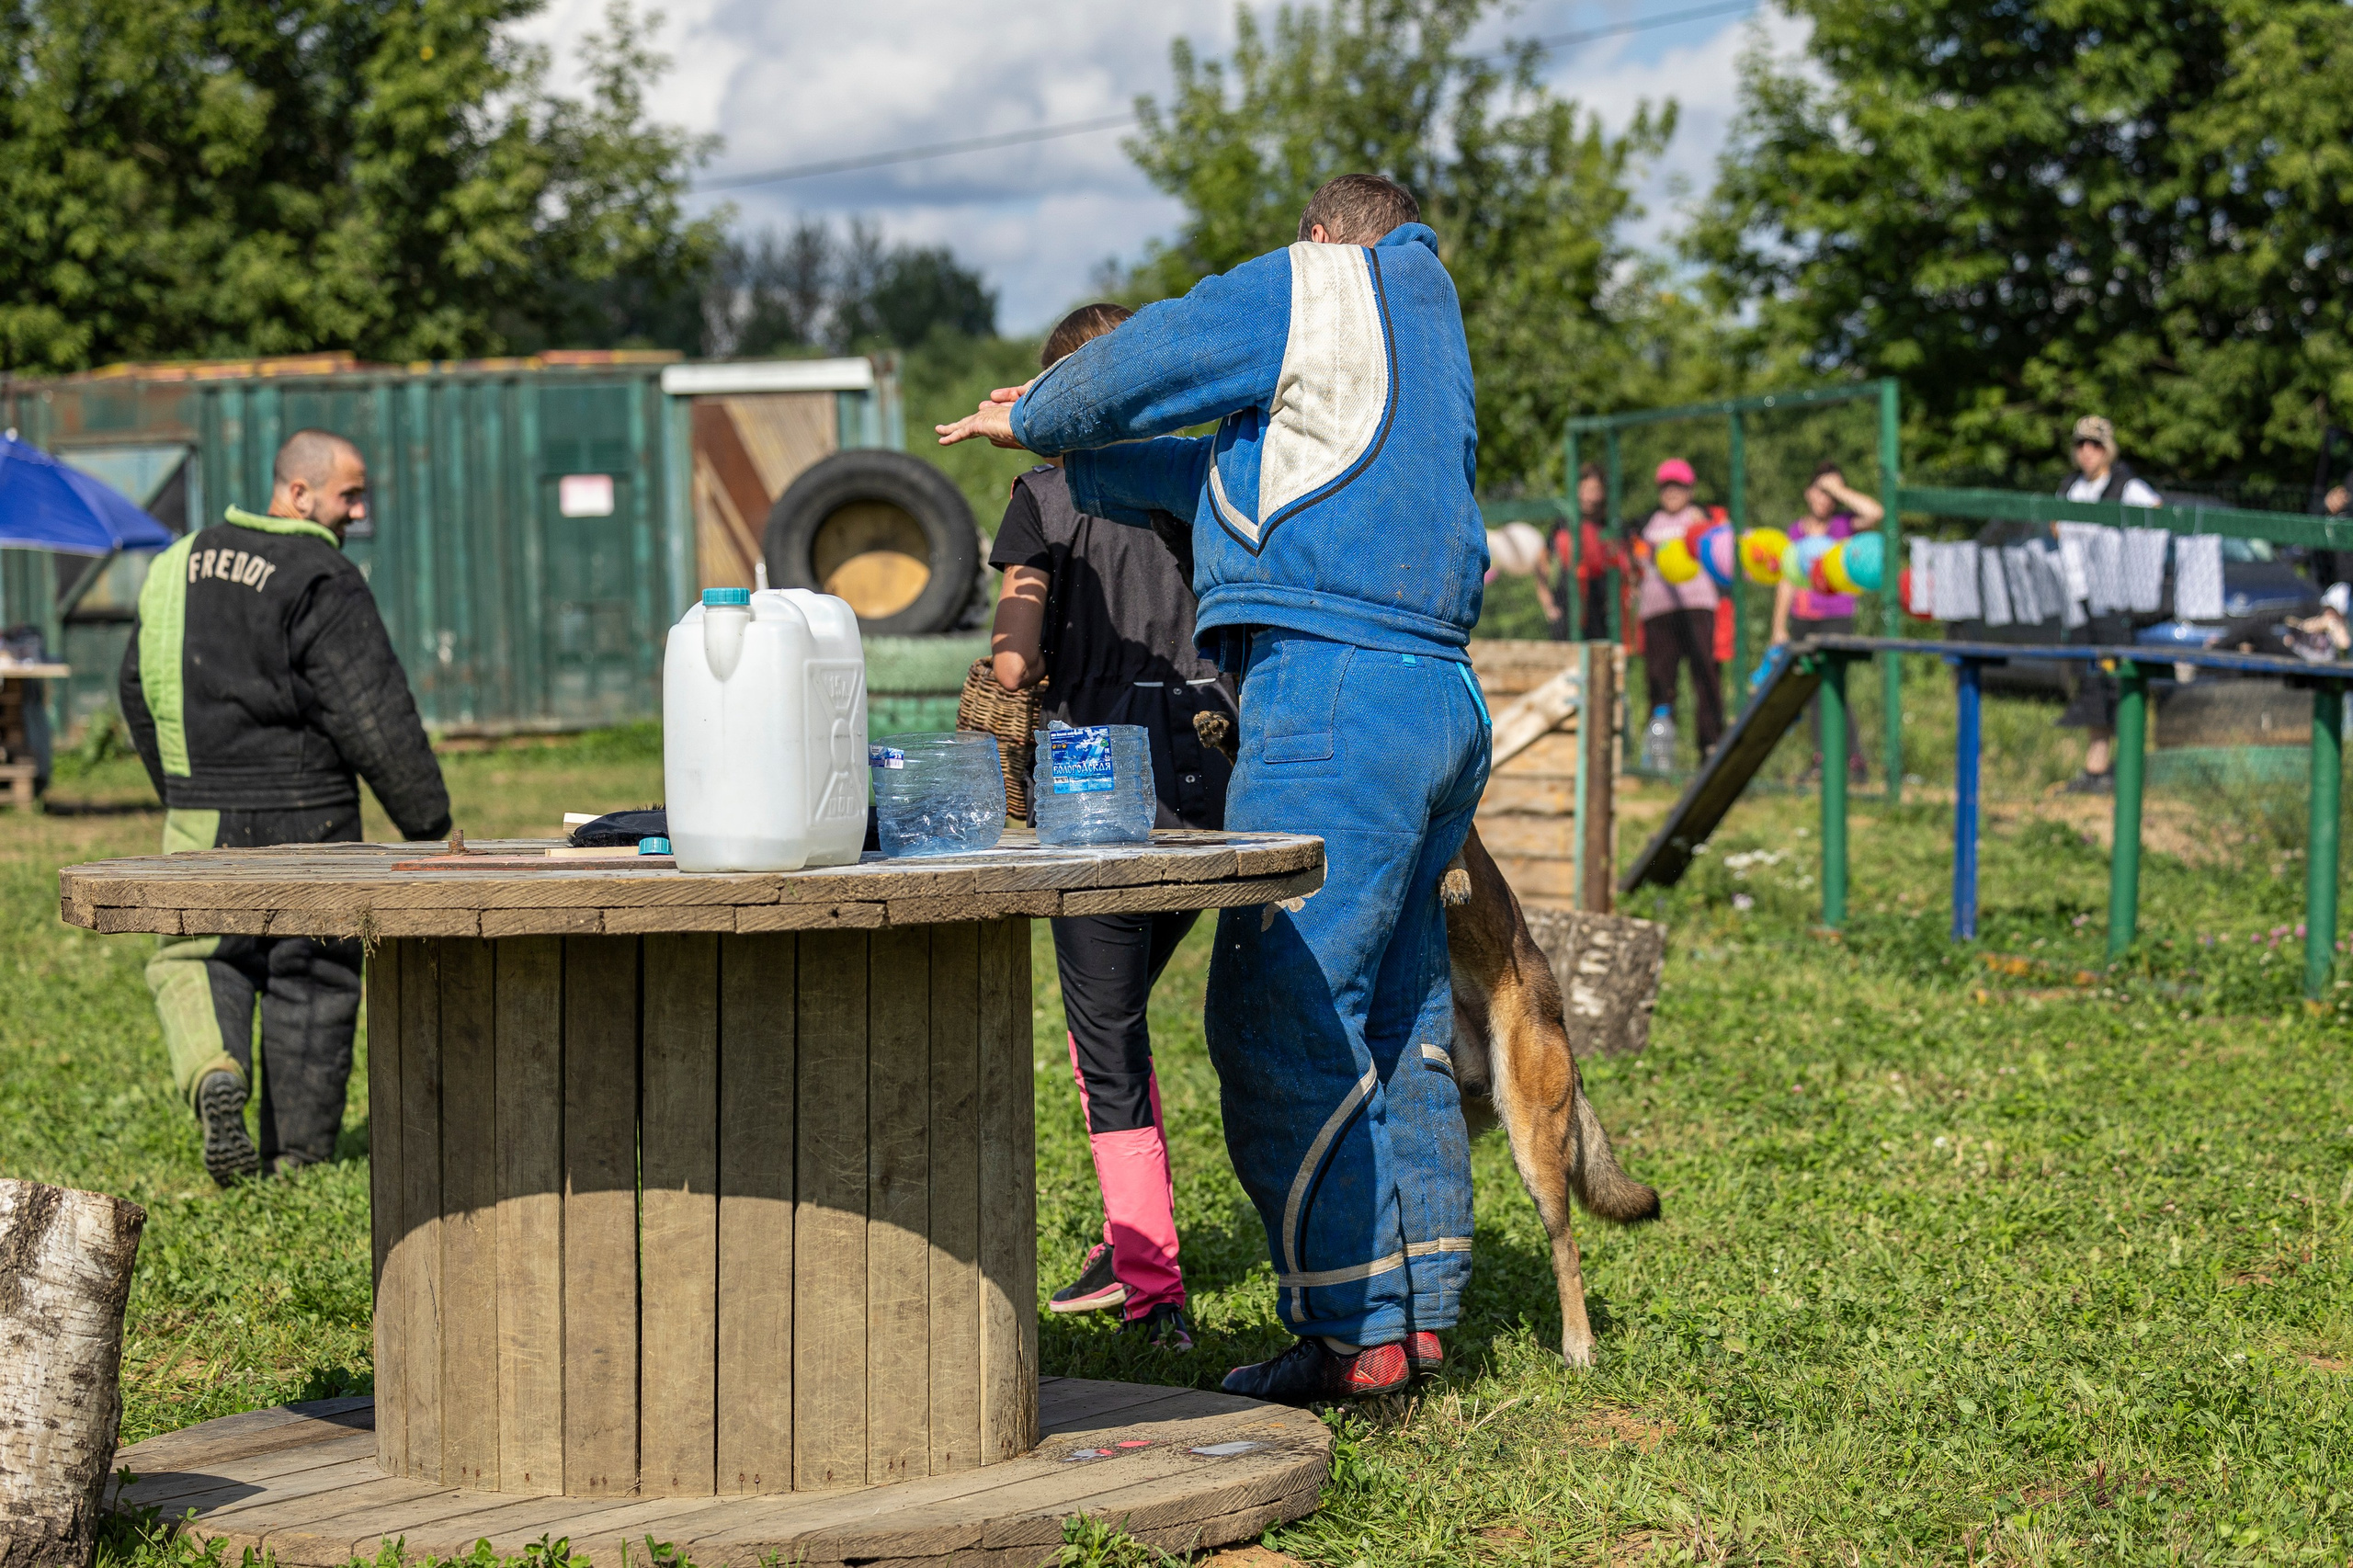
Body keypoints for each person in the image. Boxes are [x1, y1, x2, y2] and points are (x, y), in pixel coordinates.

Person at [938, 173, 1489, 1405]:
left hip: (1332, 693)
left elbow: (1163, 347)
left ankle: (1350, 1332)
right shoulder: (1421, 346)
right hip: (1438, 696)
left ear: (1318, 235)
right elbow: (1221, 485)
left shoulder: (1325, 281)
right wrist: (1077, 455)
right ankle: (1420, 1308)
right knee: (1395, 1009)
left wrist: (1043, 408)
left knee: (1283, 1006)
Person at [985, 301, 1237, 1353]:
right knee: (1125, 1006)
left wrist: (1013, 664)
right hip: (1208, 776)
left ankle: (1151, 1288)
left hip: (1094, 783)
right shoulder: (1198, 480)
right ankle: (1125, 1241)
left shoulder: (1044, 495)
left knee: (1107, 1040)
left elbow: (1015, 639)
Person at [120, 429, 449, 1185]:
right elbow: (374, 716)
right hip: (315, 818)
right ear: (298, 494)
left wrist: (181, 786)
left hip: (203, 813)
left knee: (199, 954)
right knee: (313, 973)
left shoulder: (175, 563)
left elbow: (136, 687)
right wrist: (428, 824)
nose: (358, 511)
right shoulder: (321, 575)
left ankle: (213, 1069)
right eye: (349, 495)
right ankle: (297, 1157)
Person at [2055, 415, 2160, 792]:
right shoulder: (2071, 488)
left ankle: (2125, 766)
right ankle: (2095, 768)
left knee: (2117, 679)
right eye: (2081, 444)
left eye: (2095, 445)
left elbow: (2155, 515)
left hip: (2114, 605)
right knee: (2090, 681)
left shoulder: (2127, 486)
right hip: (2079, 599)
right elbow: (2057, 528)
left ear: (2108, 449)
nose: (2087, 452)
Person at [1768, 461, 1884, 784]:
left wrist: (1837, 489)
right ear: (1808, 492)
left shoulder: (1845, 526)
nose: (1826, 498)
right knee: (1812, 691)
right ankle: (1822, 758)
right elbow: (1787, 581)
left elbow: (1875, 512)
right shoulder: (1796, 532)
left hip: (1836, 616)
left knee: (1834, 687)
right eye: (1821, 490)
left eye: (1832, 493)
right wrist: (1778, 627)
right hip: (1803, 617)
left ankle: (1853, 759)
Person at [1634, 458, 1723, 758]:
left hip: (1697, 606)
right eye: (1666, 486)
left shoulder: (1701, 518)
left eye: (1679, 486)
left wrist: (1702, 527)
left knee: (1705, 675)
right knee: (1660, 680)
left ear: (1690, 490)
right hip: (1658, 611)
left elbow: (1719, 551)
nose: (1672, 492)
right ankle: (1661, 751)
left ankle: (1710, 746)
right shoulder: (1648, 523)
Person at [1533, 463, 1622, 641]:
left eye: (1595, 490)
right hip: (1566, 606)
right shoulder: (1563, 524)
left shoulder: (1610, 526)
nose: (1589, 496)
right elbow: (1542, 560)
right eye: (1585, 490)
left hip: (1600, 610)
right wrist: (1547, 603)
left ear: (1603, 493)